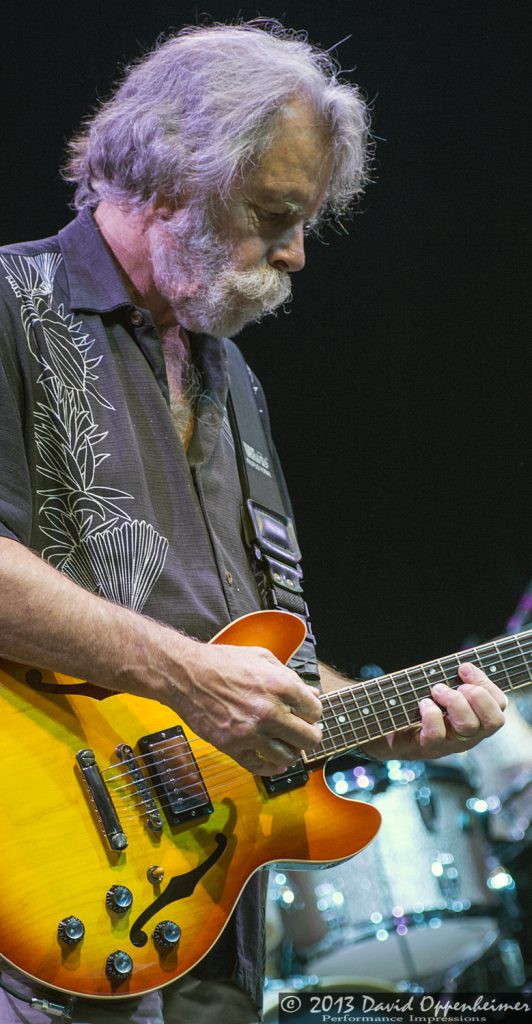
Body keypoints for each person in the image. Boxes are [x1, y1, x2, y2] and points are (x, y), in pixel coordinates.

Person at [0, 20, 507, 1024]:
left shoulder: (233, 381)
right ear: (166, 174)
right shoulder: (14, 305)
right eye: (275, 211)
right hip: (34, 886)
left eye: (306, 217)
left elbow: (240, 655)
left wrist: (397, 721)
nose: (297, 251)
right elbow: (196, 668)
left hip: (191, 923)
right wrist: (189, 677)